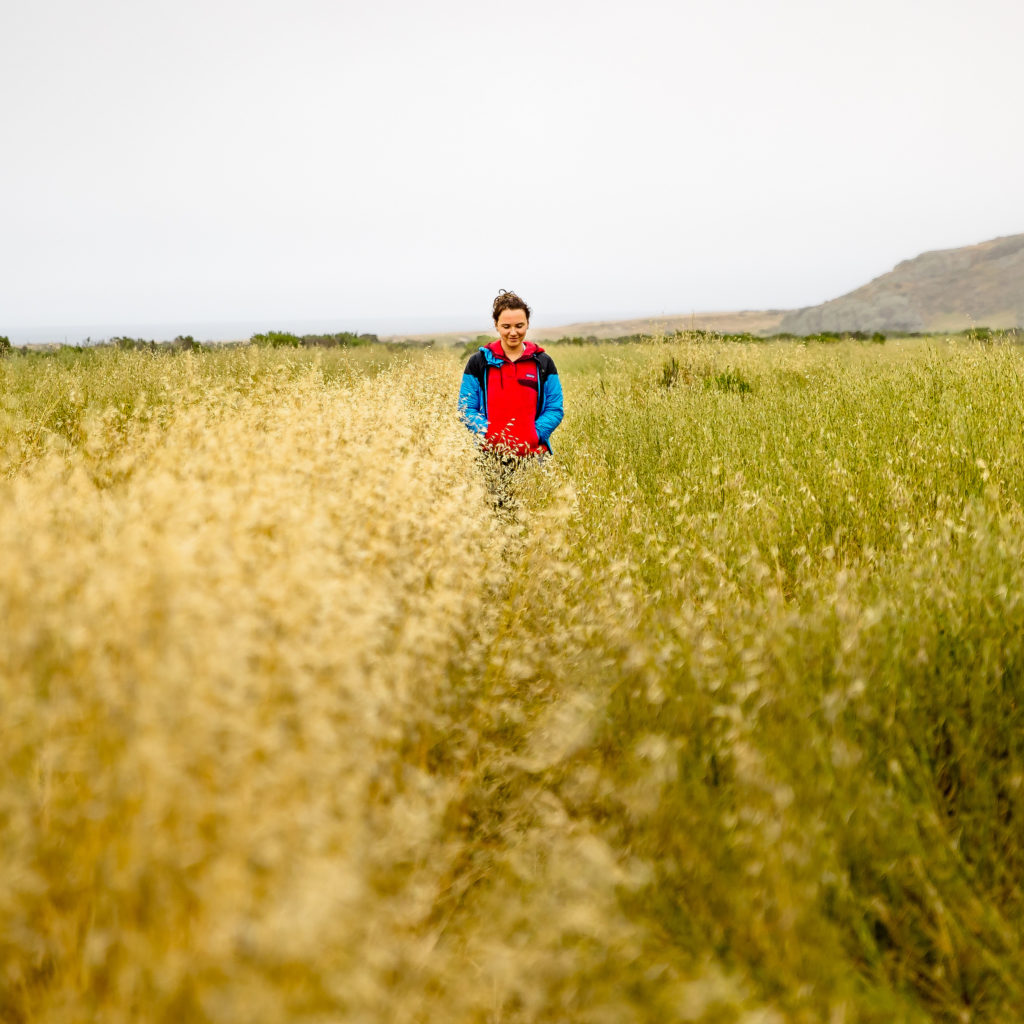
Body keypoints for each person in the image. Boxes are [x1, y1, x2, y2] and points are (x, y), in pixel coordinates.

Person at [458, 289, 564, 460]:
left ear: (528, 324)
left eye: (519, 326)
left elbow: (554, 408)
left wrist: (534, 436)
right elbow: (466, 409)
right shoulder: (478, 362)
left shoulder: (543, 362)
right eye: (506, 327)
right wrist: (489, 435)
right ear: (496, 325)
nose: (513, 332)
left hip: (534, 457)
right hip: (489, 458)